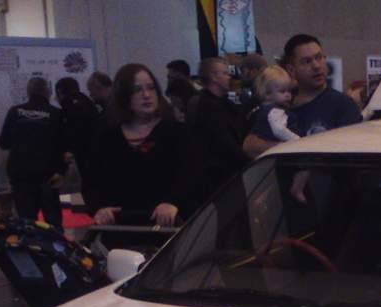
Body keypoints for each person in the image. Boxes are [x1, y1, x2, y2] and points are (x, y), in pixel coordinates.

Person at [92, 63, 201, 227]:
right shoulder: (108, 137)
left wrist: (173, 202)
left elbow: (191, 176)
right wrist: (100, 208)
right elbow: (94, 181)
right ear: (124, 95)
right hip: (121, 227)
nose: (146, 95)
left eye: (151, 88)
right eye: (137, 90)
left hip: (168, 225)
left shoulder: (177, 132)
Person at [244, 34, 362, 158]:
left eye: (319, 57)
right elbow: (250, 146)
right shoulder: (280, 102)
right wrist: (293, 148)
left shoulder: (343, 105)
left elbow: (350, 152)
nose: (316, 66)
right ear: (291, 70)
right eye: (307, 61)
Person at [0, 77, 67, 227]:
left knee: (27, 222)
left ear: (28, 92)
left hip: (21, 175)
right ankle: (55, 242)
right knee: (53, 222)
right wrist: (61, 170)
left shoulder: (15, 112)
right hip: (48, 175)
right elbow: (63, 146)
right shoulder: (56, 114)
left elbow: (3, 142)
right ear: (47, 92)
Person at [191, 57, 249, 196]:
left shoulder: (219, 102)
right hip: (220, 178)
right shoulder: (210, 107)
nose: (229, 77)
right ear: (214, 77)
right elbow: (226, 143)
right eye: (225, 73)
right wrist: (249, 162)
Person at [55, 77, 102, 213]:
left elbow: (71, 130)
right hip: (95, 152)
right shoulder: (88, 102)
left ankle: (88, 210)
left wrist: (68, 150)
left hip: (82, 153)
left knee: (83, 186)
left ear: (60, 92)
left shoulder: (68, 104)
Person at [250, 65, 300, 143]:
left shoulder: (264, 109)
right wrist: (298, 140)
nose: (288, 95)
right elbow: (280, 131)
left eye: (289, 91)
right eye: (282, 91)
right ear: (267, 94)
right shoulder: (275, 111)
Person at [237, 53, 268, 122]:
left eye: (243, 71)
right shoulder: (268, 93)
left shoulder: (257, 98)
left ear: (253, 71)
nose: (241, 75)